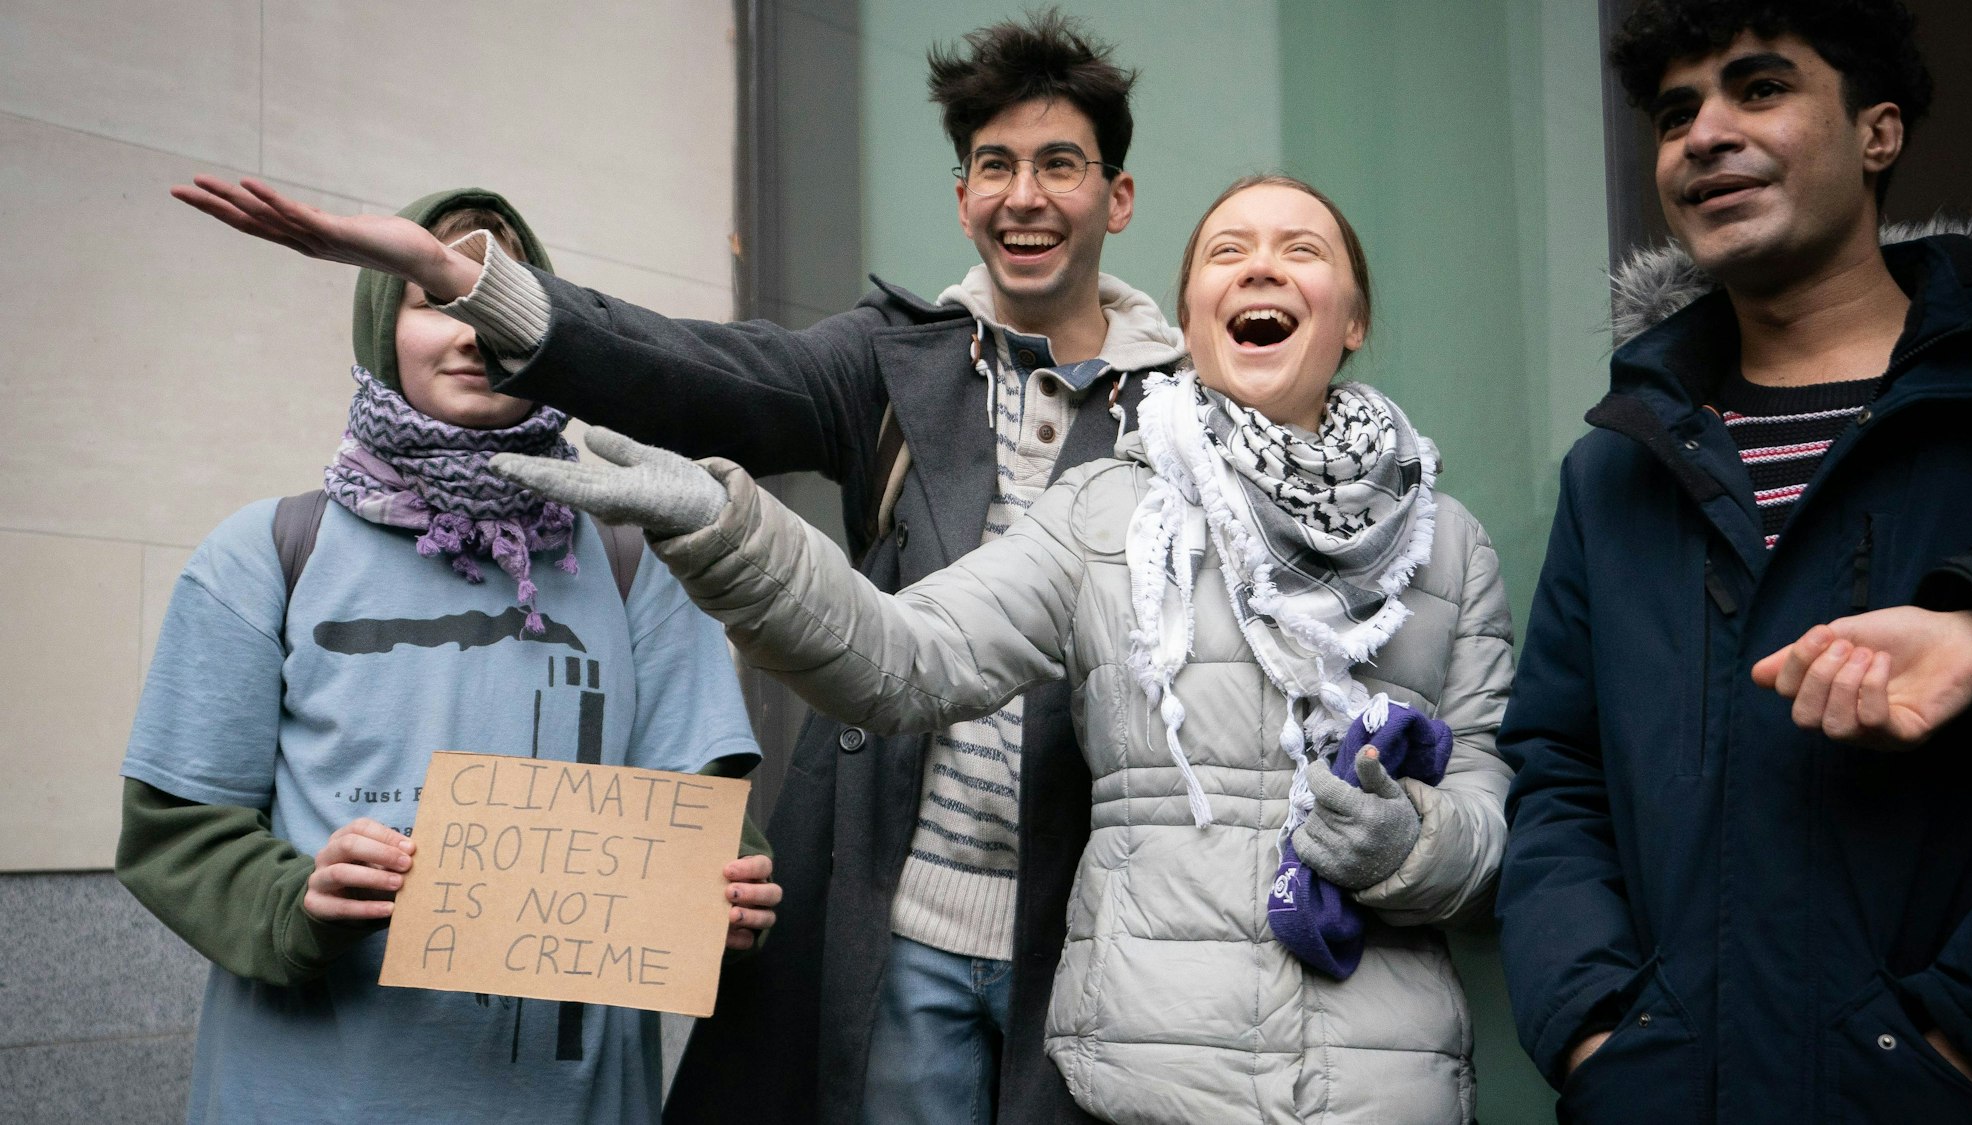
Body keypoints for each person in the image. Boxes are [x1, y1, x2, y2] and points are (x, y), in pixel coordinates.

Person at [170, 14, 1182, 1123]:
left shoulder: (1188, 413)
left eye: (1057, 165)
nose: (1022, 196)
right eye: (994, 165)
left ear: (1115, 197)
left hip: (1092, 929)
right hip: (903, 934)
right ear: (960, 196)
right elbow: (693, 369)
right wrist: (467, 282)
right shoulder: (891, 364)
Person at [493, 174, 1516, 1125]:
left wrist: (1407, 846)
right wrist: (722, 527)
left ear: (1354, 318)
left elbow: (1487, 825)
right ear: (1193, 321)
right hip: (1149, 1085)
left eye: (1299, 249)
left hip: (1388, 1091)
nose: (1257, 267)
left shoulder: (1446, 545)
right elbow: (905, 657)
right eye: (1224, 252)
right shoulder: (1107, 514)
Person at [116, 188, 777, 1125]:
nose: (472, 328)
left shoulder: (633, 564)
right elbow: (174, 832)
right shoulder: (264, 555)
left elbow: (706, 813)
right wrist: (297, 896)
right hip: (309, 1093)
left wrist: (726, 900)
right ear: (385, 324)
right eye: (436, 297)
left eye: (499, 295)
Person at [1496, 0, 1972, 1119]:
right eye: (1675, 113)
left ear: (1875, 132)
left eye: (1758, 88)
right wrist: (1594, 1032)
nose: (1704, 134)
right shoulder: (1613, 469)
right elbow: (1556, 776)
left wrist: (1958, 1045)